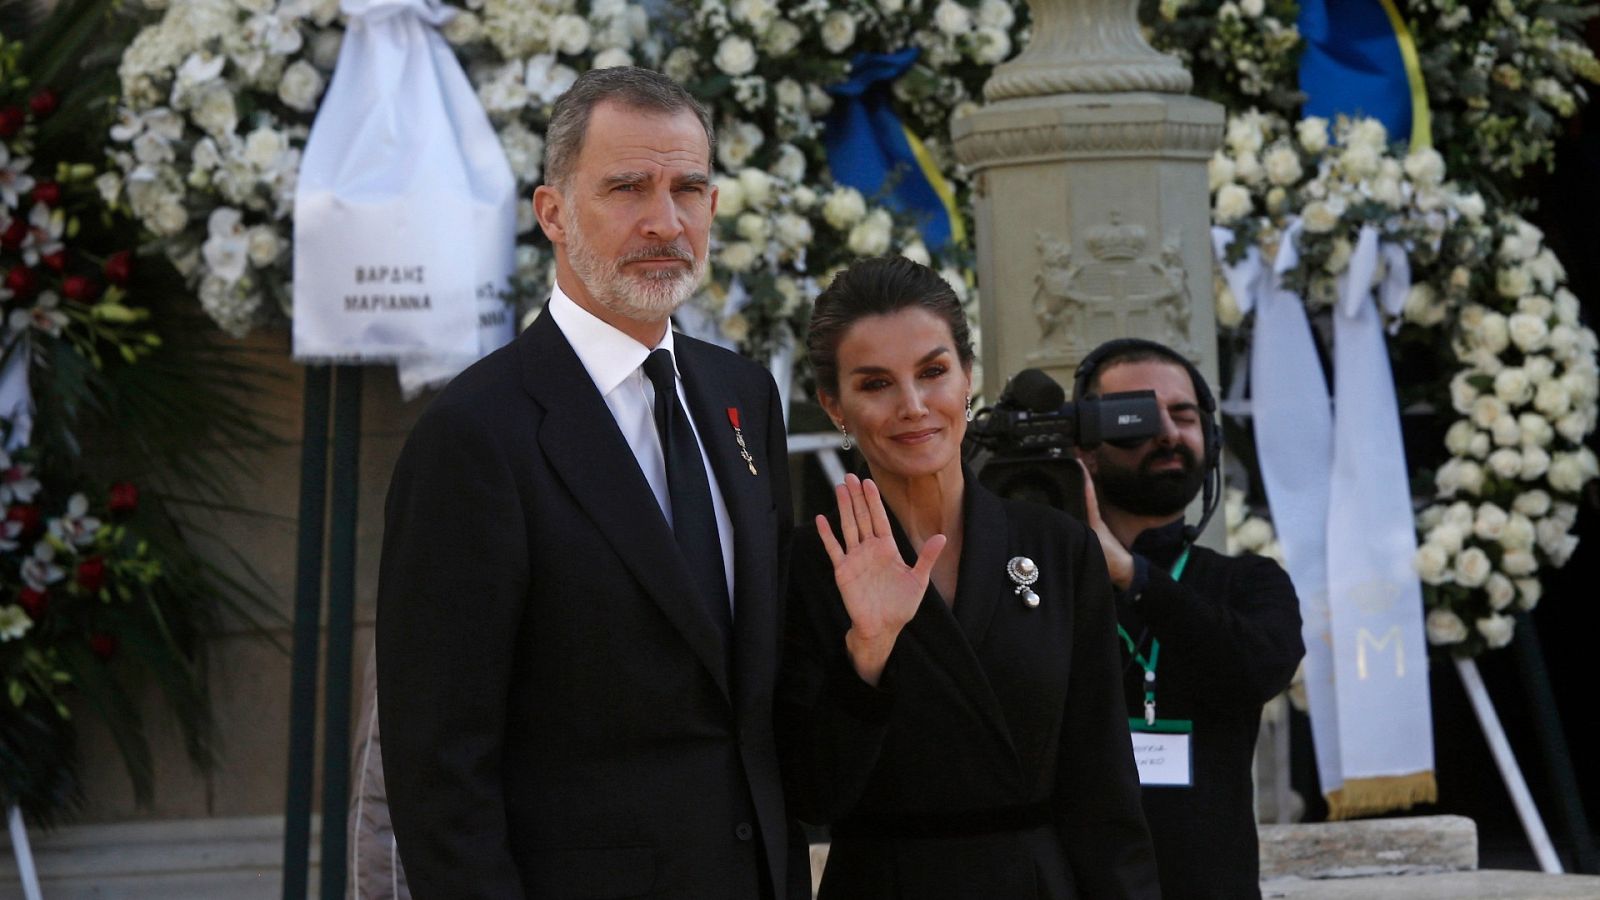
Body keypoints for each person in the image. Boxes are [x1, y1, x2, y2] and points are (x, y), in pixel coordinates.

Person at [376, 66, 802, 899]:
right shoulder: (474, 436)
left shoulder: (743, 396)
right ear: (552, 213)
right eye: (627, 188)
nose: (664, 220)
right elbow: (440, 772)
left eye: (689, 187)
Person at [778, 256, 1161, 899]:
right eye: (875, 384)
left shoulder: (1058, 548)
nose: (913, 406)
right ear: (833, 406)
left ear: (968, 379)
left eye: (933, 372)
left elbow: (1104, 791)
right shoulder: (808, 565)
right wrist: (867, 655)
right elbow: (811, 794)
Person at [1073, 338, 1305, 900]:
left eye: (1183, 415)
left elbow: (1254, 668)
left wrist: (1134, 576)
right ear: (1087, 450)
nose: (1168, 433)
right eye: (1137, 416)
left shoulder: (1249, 583)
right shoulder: (1044, 586)